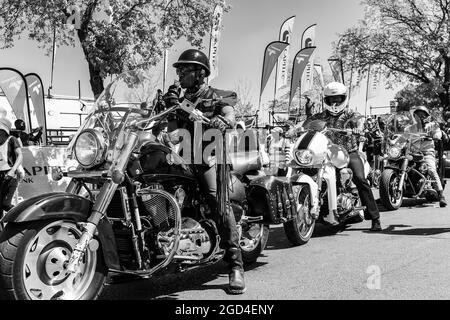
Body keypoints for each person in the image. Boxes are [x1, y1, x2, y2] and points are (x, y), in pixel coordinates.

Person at [162, 49, 246, 294]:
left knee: (217, 201)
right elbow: (172, 131)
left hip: (210, 158)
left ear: (200, 73)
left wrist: (226, 121)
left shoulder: (215, 96)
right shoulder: (177, 99)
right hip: (184, 157)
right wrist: (168, 109)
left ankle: (235, 266)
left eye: (184, 70)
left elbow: (230, 113)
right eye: (178, 71)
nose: (179, 75)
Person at [303, 82, 382, 232]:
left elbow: (361, 121)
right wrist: (304, 117)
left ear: (344, 99)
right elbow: (308, 124)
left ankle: (375, 218)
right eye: (331, 99)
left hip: (348, 152)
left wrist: (359, 128)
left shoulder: (351, 114)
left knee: (360, 179)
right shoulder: (321, 116)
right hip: (325, 153)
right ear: (325, 100)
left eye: (338, 99)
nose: (335, 102)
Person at [405, 106, 447, 207]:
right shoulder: (410, 128)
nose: (420, 116)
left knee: (431, 169)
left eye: (422, 114)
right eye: (417, 114)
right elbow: (403, 137)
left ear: (426, 116)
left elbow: (438, 133)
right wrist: (395, 140)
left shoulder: (432, 126)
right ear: (414, 116)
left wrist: (436, 135)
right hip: (412, 154)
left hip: (427, 153)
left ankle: (441, 195)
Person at [0, 116, 23, 217]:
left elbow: (20, 155)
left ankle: (23, 217)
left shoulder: (12, 139)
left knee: (5, 204)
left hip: (10, 174)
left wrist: (13, 170)